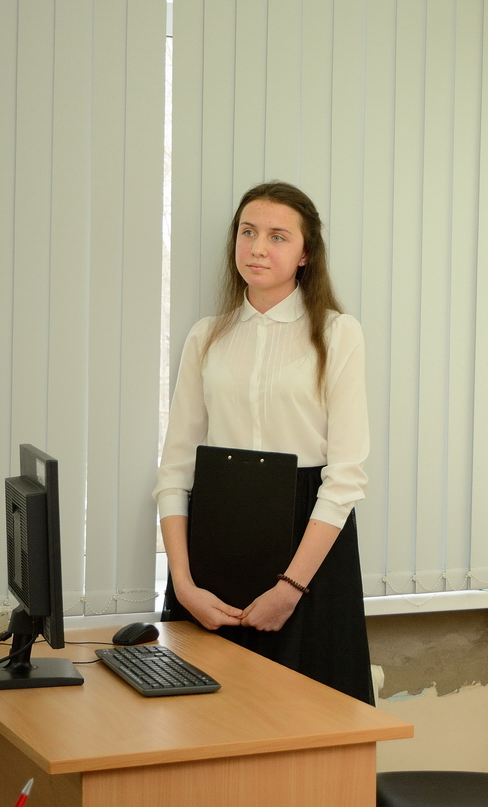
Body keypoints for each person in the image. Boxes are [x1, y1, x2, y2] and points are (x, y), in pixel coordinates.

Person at [153, 181, 374, 704]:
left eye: (277, 236)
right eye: (248, 232)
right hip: (214, 546)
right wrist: (184, 585)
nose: (257, 248)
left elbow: (345, 478)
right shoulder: (206, 335)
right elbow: (175, 471)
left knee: (307, 721)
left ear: (305, 254)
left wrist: (290, 589)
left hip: (307, 549)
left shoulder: (338, 334)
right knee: (204, 717)